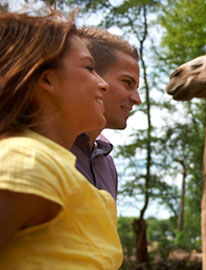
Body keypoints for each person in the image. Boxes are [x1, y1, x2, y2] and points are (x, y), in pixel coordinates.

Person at [0, 11, 122, 268]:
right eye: (89, 68)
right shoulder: (26, 160)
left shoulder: (57, 168)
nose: (104, 85)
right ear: (47, 79)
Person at [71, 27, 141, 201]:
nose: (137, 99)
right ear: (92, 77)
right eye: (127, 83)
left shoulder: (106, 163)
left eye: (137, 88)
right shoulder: (38, 149)